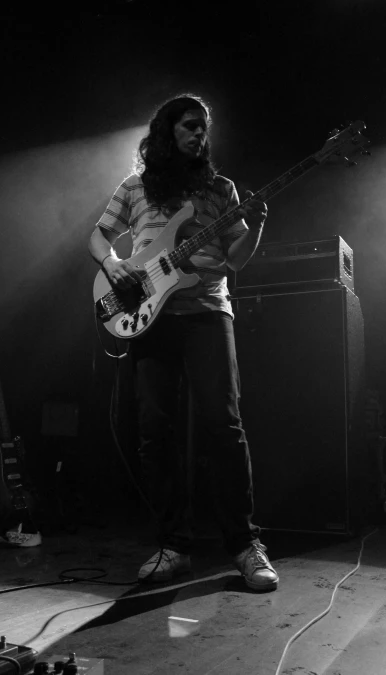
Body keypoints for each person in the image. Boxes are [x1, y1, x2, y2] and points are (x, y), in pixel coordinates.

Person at [88, 94, 279, 591]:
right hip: (149, 320)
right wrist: (114, 265)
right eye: (191, 126)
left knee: (223, 425)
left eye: (204, 129)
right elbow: (98, 238)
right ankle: (173, 545)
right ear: (166, 131)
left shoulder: (220, 189)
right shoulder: (134, 187)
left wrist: (254, 225)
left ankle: (243, 544)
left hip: (208, 314)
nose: (200, 136)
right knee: (156, 432)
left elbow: (235, 260)